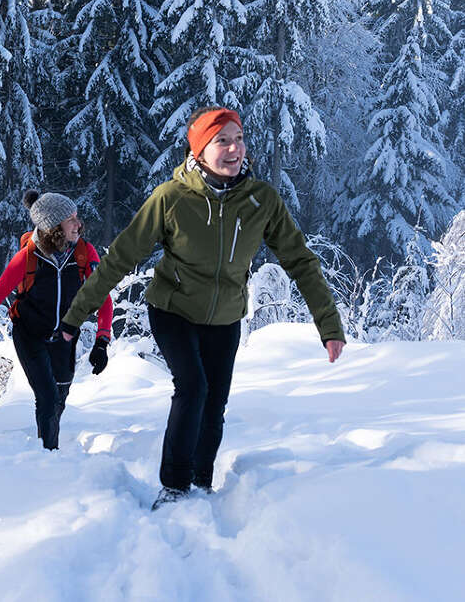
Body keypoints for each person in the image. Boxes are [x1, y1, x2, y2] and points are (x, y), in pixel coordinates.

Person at [59, 107, 345, 508]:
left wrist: (328, 326)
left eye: (239, 139)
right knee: (192, 388)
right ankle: (174, 486)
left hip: (225, 317)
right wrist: (75, 317)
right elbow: (119, 259)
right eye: (221, 141)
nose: (234, 149)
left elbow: (300, 260)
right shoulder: (172, 199)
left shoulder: (261, 201)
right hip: (172, 309)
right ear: (199, 151)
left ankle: (201, 481)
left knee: (215, 401)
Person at [0, 191, 114, 450]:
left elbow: (103, 296)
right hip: (30, 334)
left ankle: (46, 444)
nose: (79, 224)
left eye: (77, 218)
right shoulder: (27, 257)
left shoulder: (84, 252)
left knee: (60, 397)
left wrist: (102, 340)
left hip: (65, 336)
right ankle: (48, 458)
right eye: (71, 220)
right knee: (46, 397)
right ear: (54, 227)